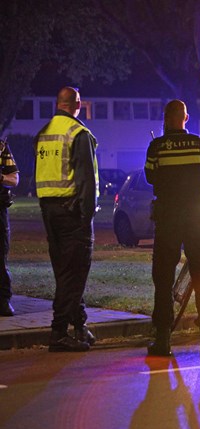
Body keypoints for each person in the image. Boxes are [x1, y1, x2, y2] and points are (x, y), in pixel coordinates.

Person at [145, 99, 200, 357]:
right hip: (196, 217)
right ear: (185, 119)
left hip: (167, 217)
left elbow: (150, 177)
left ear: (165, 118)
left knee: (164, 277)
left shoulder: (156, 147)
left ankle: (163, 340)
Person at [35, 86, 98, 352]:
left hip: (49, 212)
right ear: (78, 104)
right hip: (73, 212)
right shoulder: (78, 134)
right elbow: (85, 179)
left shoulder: (44, 133)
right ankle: (59, 332)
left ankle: (79, 326)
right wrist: (87, 214)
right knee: (75, 272)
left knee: (65, 271)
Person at [0, 139, 19, 317]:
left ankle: (3, 300)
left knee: (0, 257)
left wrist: (1, 178)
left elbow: (14, 179)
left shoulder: (1, 146)